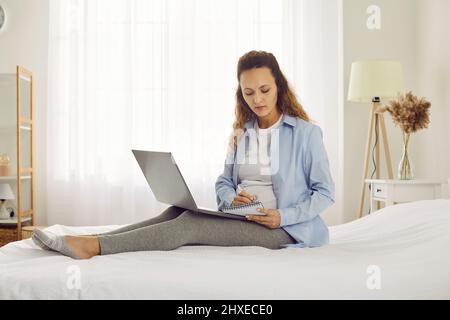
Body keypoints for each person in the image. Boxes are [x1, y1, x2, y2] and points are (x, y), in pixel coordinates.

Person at [32, 50, 335, 259]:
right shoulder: (242, 132)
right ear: (240, 93)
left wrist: (282, 216)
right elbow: (223, 182)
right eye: (248, 92)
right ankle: (92, 240)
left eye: (265, 90)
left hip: (284, 228)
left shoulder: (306, 134)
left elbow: (325, 193)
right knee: (177, 212)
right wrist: (230, 199)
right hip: (244, 216)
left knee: (190, 225)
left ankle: (94, 247)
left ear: (279, 87)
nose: (257, 99)